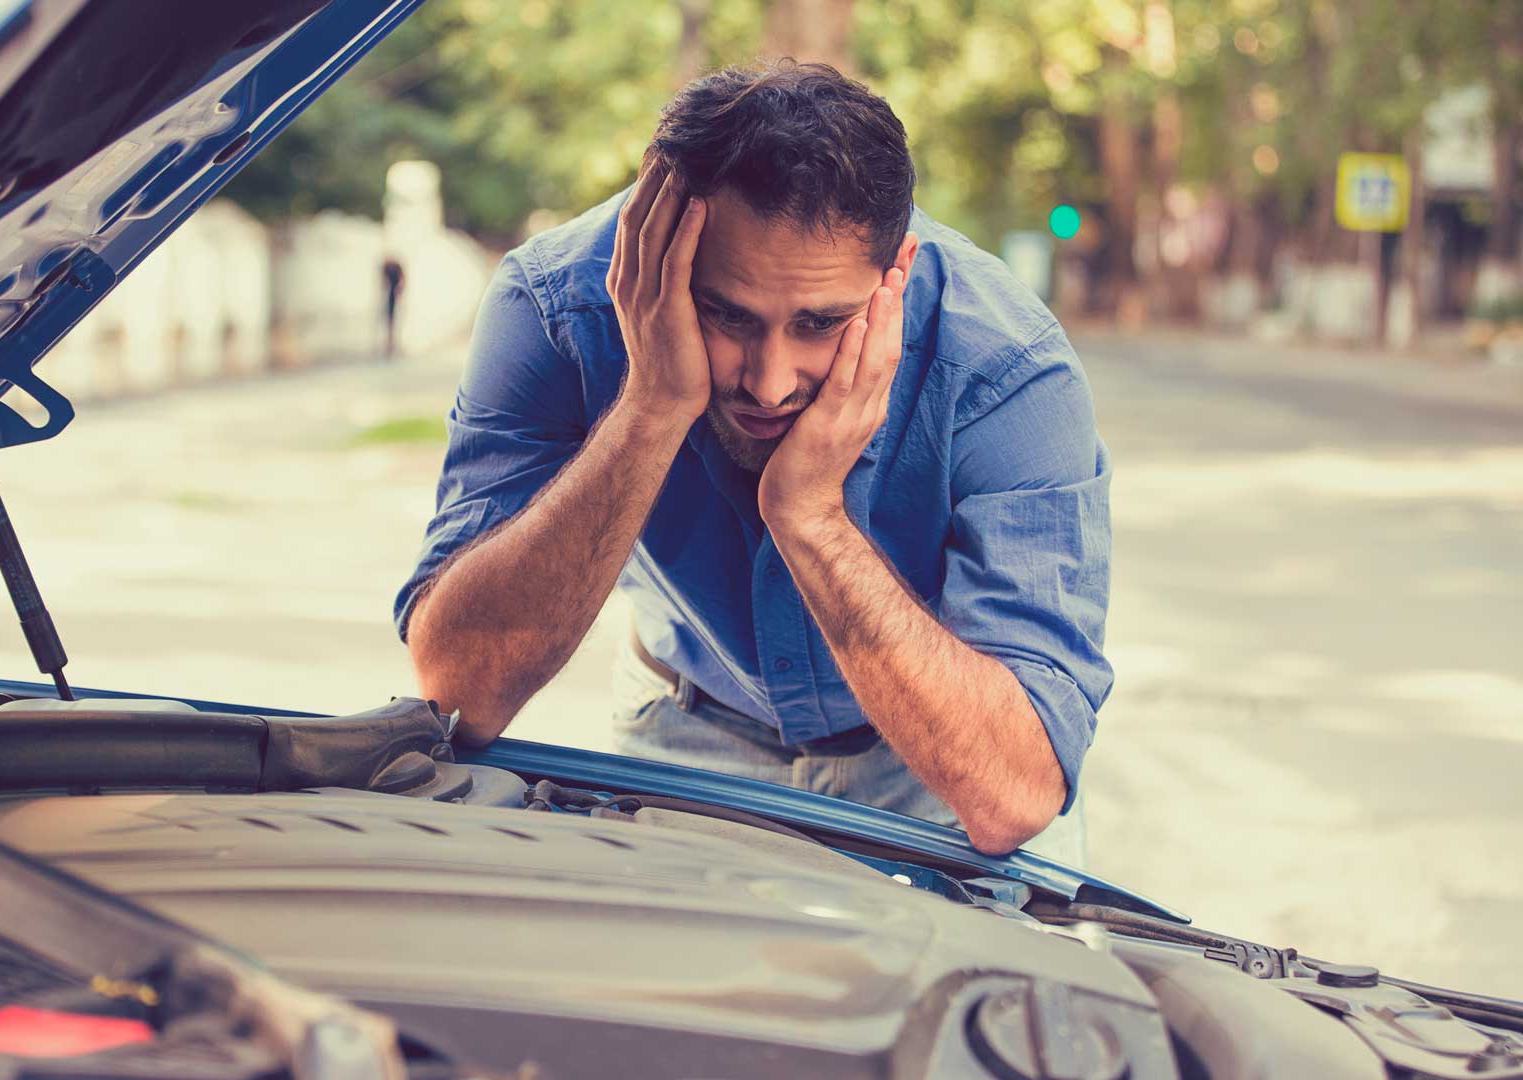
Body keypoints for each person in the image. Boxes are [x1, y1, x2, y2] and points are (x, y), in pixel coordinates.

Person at [393, 62, 1110, 862]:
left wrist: (810, 518)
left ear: (893, 272)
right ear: (656, 246)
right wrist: (649, 410)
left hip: (930, 761)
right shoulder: (557, 308)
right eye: (723, 314)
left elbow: (1012, 795)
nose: (768, 382)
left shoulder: (1006, 365)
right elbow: (456, 696)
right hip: (682, 730)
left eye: (819, 323)